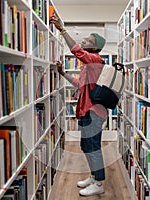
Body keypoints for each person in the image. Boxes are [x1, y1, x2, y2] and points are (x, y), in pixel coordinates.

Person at [50, 15, 107, 196]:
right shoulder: (87, 66)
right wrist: (63, 73)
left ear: (95, 47)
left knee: (93, 147)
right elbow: (79, 84)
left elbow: (76, 51)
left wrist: (62, 30)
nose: (83, 40)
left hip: (94, 113)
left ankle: (99, 183)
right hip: (85, 111)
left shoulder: (95, 60)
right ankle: (93, 176)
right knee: (86, 146)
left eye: (88, 40)